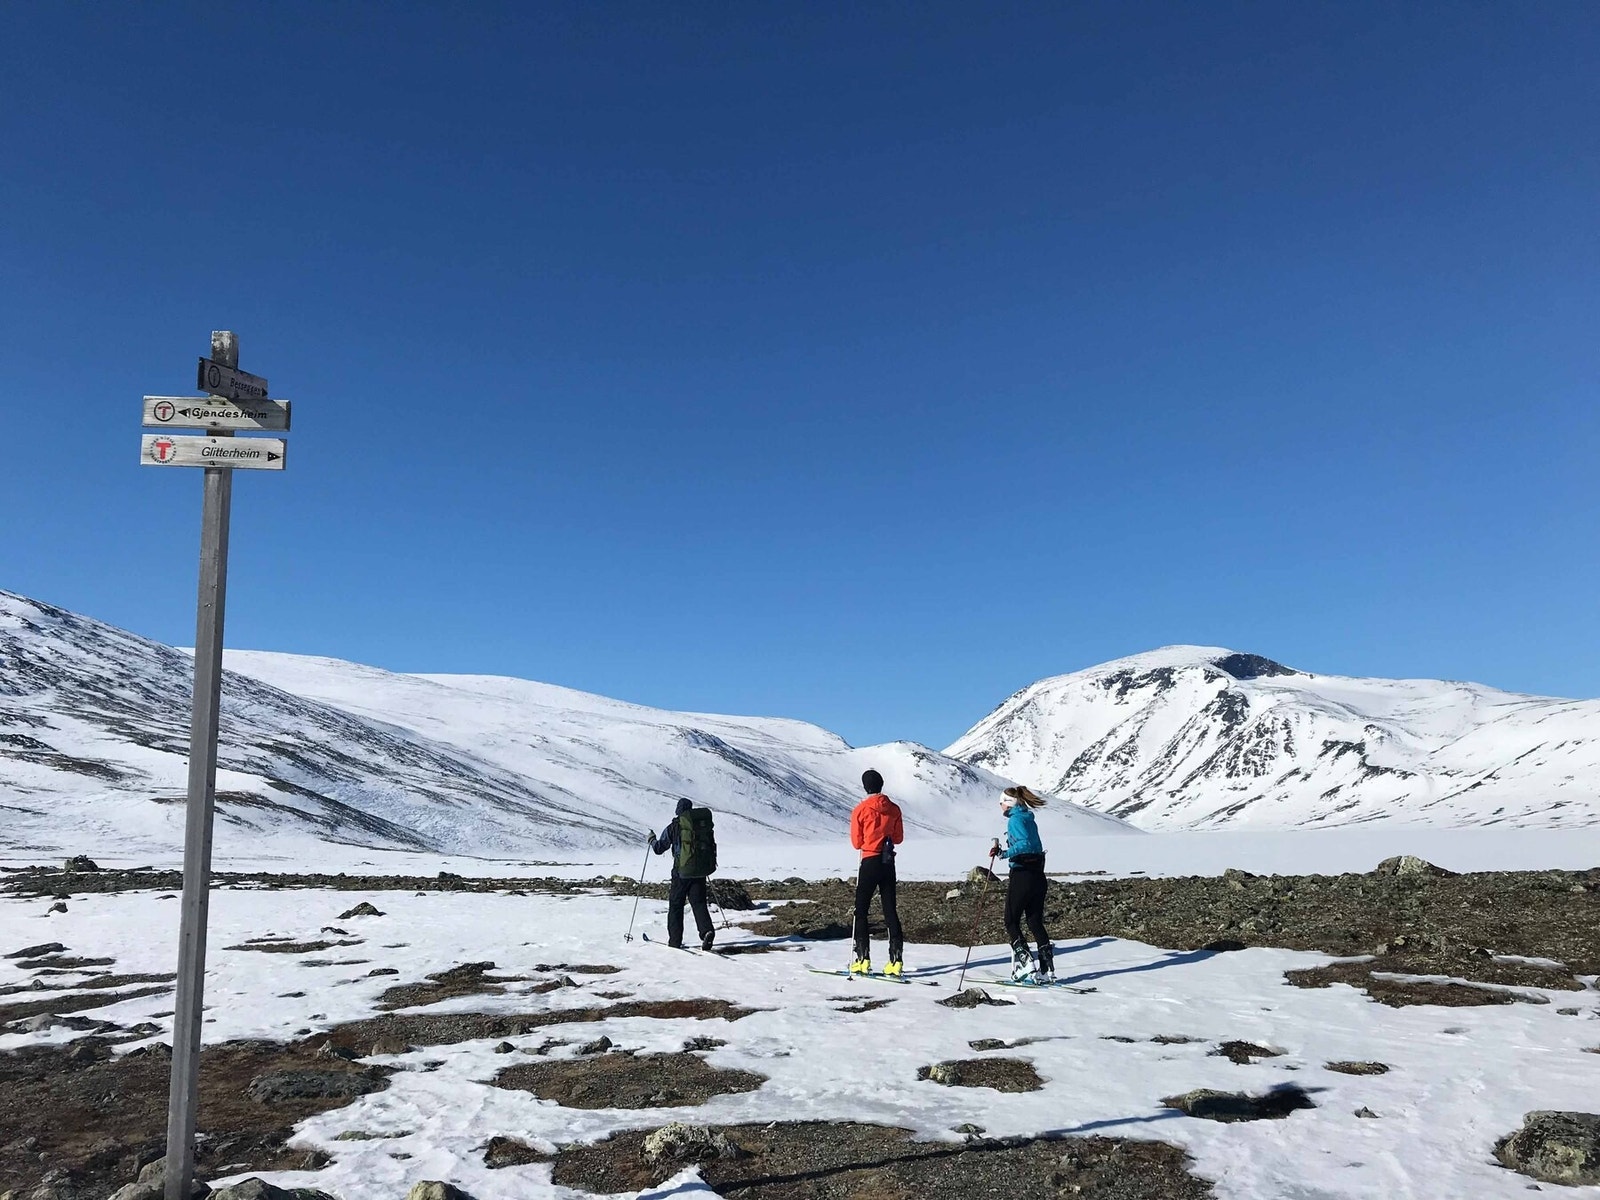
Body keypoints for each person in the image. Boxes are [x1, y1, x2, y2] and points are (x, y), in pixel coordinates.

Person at [849, 768, 904, 975]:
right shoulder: (894, 809)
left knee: (861, 910)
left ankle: (862, 959)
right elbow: (898, 838)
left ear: (865, 787)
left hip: (870, 860)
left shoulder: (861, 810)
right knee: (890, 910)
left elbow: (856, 843)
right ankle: (896, 961)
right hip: (888, 862)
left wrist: (868, 841)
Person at [996, 783, 1054, 982]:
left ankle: (1025, 962)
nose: (1000, 807)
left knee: (1011, 920)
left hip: (1022, 874)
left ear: (1008, 803)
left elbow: (1024, 844)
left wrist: (1004, 853)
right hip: (1038, 875)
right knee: (1034, 921)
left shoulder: (1014, 821)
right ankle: (1047, 969)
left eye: (1001, 803)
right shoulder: (1029, 818)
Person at [648, 796, 717, 950]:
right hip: (699, 872)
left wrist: (651, 840)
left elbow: (659, 848)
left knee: (676, 905)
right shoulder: (699, 826)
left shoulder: (674, 826)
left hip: (681, 873)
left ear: (678, 810)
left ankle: (675, 941)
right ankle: (706, 931)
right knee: (699, 904)